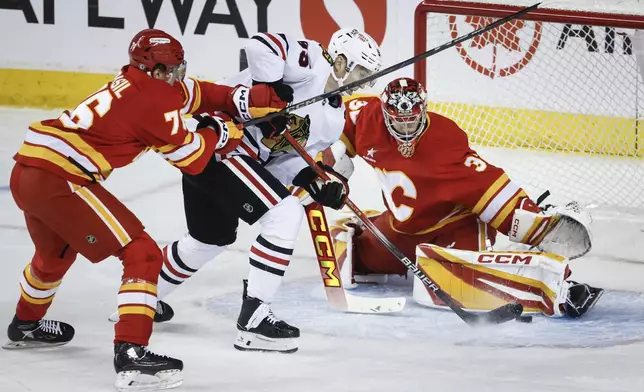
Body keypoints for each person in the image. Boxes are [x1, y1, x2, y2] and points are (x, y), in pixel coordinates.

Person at [4, 28, 288, 390]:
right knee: (143, 254)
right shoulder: (151, 102)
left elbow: (196, 93)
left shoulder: (137, 81)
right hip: (60, 181)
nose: (177, 76)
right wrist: (222, 130)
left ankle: (24, 325)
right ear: (155, 70)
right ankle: (132, 353)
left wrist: (244, 98)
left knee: (53, 257)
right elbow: (194, 158)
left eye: (178, 69)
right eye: (171, 70)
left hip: (28, 171)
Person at [138, 28, 382, 353]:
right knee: (284, 214)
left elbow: (281, 160)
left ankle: (138, 299)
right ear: (340, 61)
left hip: (231, 157)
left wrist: (312, 180)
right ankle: (253, 321)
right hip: (219, 141)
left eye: (368, 76)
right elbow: (260, 46)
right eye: (361, 71)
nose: (362, 81)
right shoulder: (309, 61)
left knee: (208, 239)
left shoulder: (333, 118)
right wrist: (269, 89)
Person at [328, 77, 602, 318]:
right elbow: (335, 128)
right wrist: (329, 165)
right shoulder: (367, 117)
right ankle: (377, 229)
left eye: (412, 120)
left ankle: (550, 283)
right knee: (346, 254)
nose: (407, 130)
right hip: (402, 229)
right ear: (385, 114)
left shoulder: (444, 143)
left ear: (424, 111)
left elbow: (490, 188)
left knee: (461, 281)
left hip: (454, 227)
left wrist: (538, 227)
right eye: (399, 121)